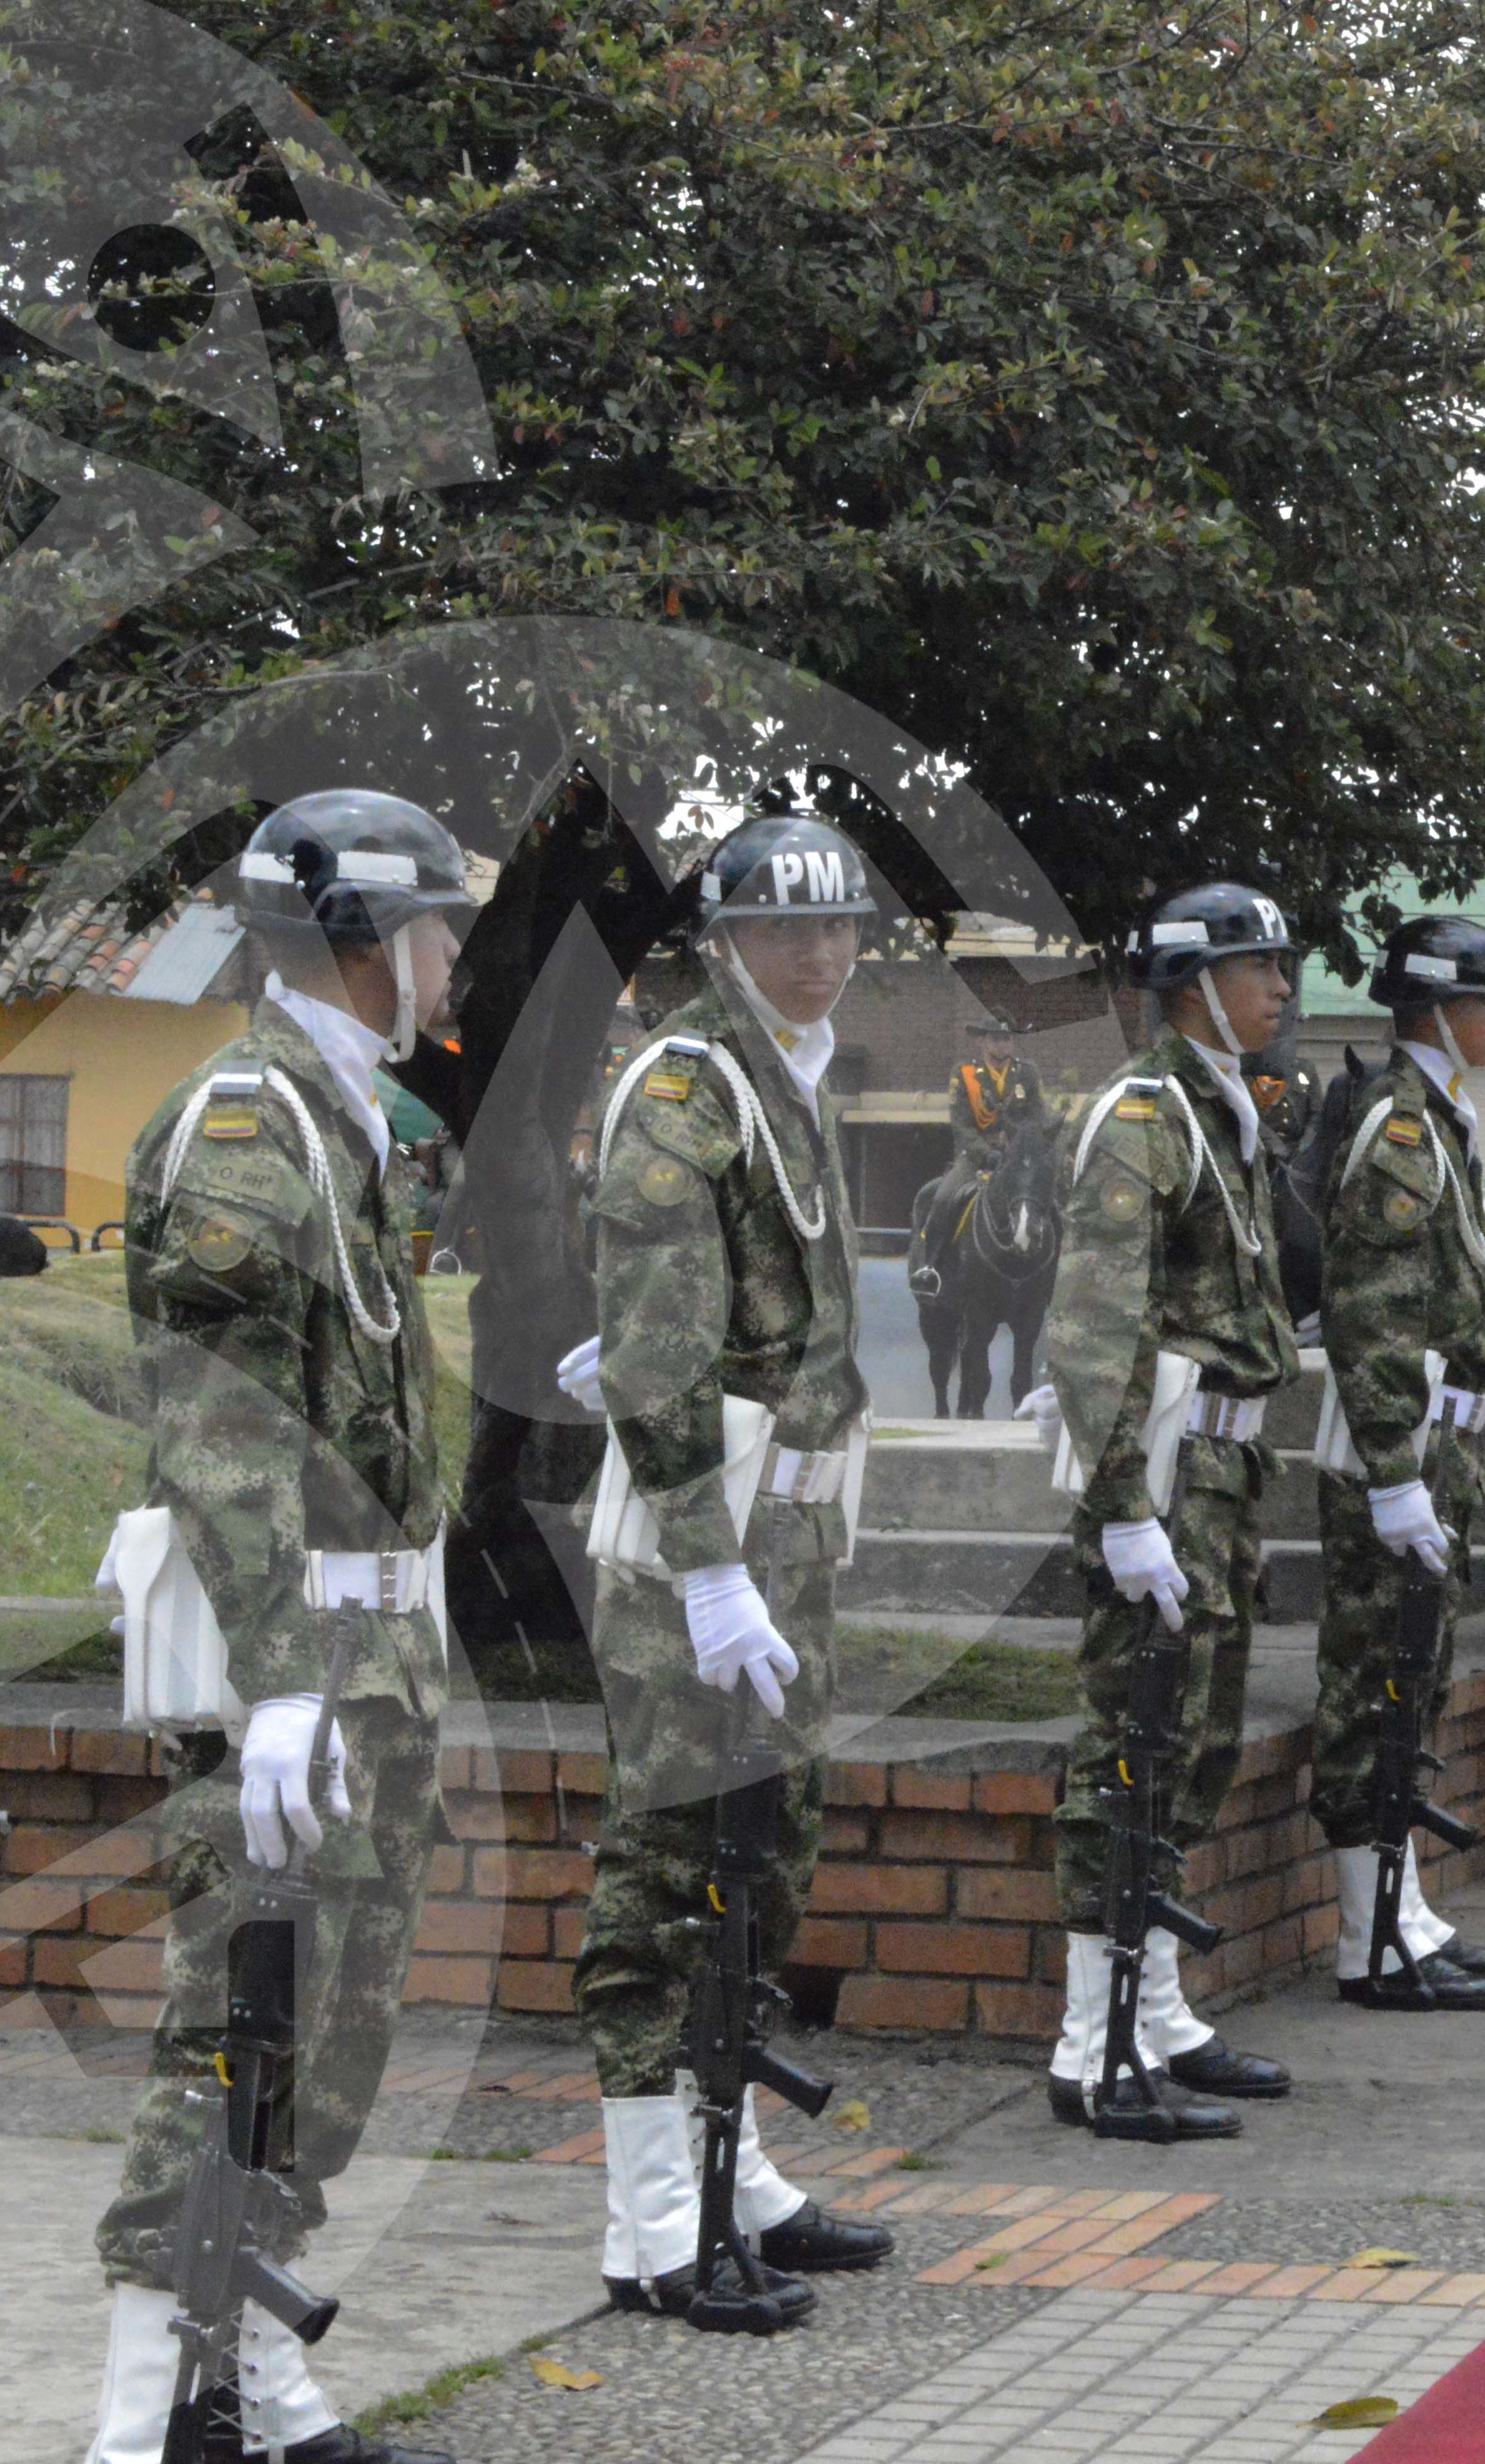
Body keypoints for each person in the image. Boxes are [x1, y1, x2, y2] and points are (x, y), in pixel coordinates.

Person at [82, 792, 474, 2464]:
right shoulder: (248, 1128)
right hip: (291, 1669)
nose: (454, 954)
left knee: (321, 2041)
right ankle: (136, 2419)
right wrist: (283, 1686)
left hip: (365, 1662)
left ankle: (242, 2374)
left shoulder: (347, 1120)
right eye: (439, 924)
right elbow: (227, 1426)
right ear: (367, 938)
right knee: (224, 2031)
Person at [571, 812, 894, 2333]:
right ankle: (649, 2218)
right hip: (703, 1544)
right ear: (726, 939)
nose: (817, 952)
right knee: (669, 1868)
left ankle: (737, 2168)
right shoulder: (688, 1086)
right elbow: (656, 1349)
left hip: (787, 1539)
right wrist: (707, 1571)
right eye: (783, 927)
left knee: (763, 1858)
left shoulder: (789, 1079)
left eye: (837, 927)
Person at [1031, 883, 1303, 2133]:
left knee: (1189, 1746)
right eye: (1260, 967)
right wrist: (1122, 1507)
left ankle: (1153, 2009)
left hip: (1220, 1476)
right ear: (1195, 985)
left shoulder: (1220, 1110)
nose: (1282, 987)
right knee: (1130, 1744)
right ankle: (1091, 2043)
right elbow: (1098, 1327)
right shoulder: (1144, 1116)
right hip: (1165, 1473)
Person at [1306, 915, 1485, 2010]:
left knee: (1416, 1671)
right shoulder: (1400, 1125)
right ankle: (1368, 1935)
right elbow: (1374, 1312)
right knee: (1376, 1682)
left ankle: (1400, 1910)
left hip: (1435, 1442)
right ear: (1435, 1009)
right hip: (1397, 1445)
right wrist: (1393, 1473)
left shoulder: (1436, 1118)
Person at [945, 1013, 1046, 1180]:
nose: (1002, 1045)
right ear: (981, 1041)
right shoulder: (964, 1074)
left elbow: (1037, 1119)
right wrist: (986, 1153)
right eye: (995, 1039)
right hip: (976, 1159)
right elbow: (961, 1125)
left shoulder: (1028, 1073)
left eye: (1007, 1039)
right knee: (945, 1192)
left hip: (1019, 1156)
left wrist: (1017, 1145)